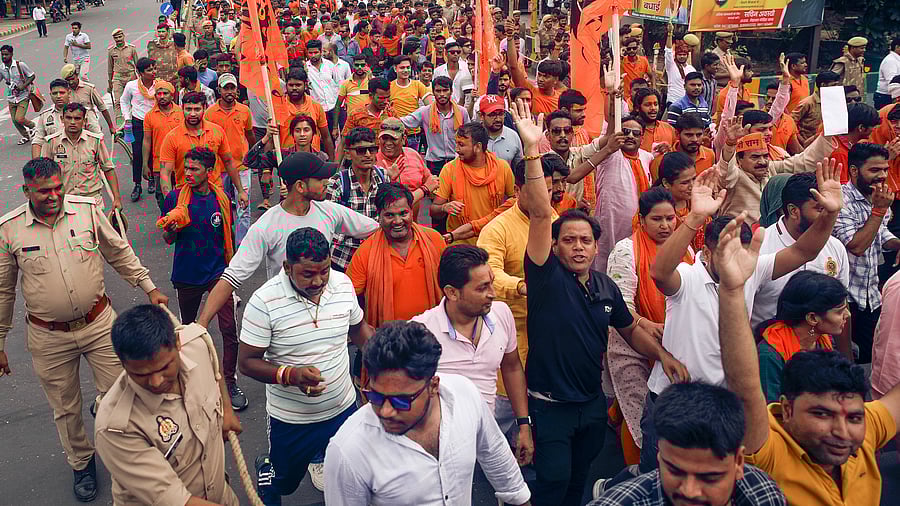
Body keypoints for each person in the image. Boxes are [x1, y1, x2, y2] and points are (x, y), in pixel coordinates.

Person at [512, 98, 688, 506]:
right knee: (552, 482)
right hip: (549, 407)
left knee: (579, 478)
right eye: (568, 240)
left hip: (591, 405)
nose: (577, 248)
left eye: (585, 241)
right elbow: (541, 214)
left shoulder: (606, 287)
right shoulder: (545, 279)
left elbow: (630, 331)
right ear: (553, 248)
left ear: (596, 247)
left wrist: (662, 355)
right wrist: (532, 149)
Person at [646, 157, 843, 473]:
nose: (733, 260)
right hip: (674, 401)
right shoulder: (688, 277)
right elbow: (658, 272)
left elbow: (805, 251)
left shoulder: (750, 268)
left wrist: (829, 213)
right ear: (707, 251)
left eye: (740, 251)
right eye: (724, 251)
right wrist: (696, 216)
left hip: (724, 403)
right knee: (662, 481)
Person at [0, 158, 168, 502]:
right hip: (48, 337)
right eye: (44, 191)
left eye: (58, 187)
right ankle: (82, 463)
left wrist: (148, 286)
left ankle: (130, 458)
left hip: (99, 325)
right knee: (66, 408)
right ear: (26, 191)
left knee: (122, 396)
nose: (54, 195)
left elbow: (118, 252)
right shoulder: (9, 230)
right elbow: (3, 291)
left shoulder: (87, 210)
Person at [716, 210, 900, 505]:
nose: (841, 432)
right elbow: (747, 391)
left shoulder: (864, 430)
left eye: (854, 417)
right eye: (821, 414)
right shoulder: (772, 452)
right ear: (785, 411)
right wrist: (733, 291)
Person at [323, 320, 532, 505]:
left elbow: (495, 453)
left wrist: (520, 499)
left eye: (400, 400)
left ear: (433, 386)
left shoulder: (465, 394)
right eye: (376, 397)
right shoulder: (348, 451)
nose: (386, 411)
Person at [238, 227, 374, 505]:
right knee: (284, 484)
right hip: (292, 422)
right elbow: (247, 363)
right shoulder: (264, 302)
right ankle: (267, 469)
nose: (319, 280)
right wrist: (291, 375)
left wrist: (384, 359)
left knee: (351, 477)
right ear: (287, 267)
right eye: (308, 274)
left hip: (344, 410)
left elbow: (358, 327)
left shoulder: (342, 284)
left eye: (323, 271)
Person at [195, 152, 378, 328]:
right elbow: (231, 278)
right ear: (300, 186)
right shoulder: (265, 226)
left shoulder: (329, 211)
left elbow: (374, 229)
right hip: (285, 316)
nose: (327, 182)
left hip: (325, 311)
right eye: (320, 178)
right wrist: (202, 324)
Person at [95, 304, 243, 505]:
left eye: (164, 367)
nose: (156, 382)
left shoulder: (197, 345)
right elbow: (176, 501)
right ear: (123, 364)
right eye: (141, 374)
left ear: (178, 343)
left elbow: (214, 372)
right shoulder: (116, 427)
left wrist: (226, 409)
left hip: (220, 495)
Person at [412, 244, 534, 464]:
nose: (493, 294)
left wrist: (523, 424)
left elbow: (512, 367)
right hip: (438, 450)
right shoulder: (420, 331)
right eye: (482, 288)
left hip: (488, 437)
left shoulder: (502, 314)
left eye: (492, 283)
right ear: (452, 292)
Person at [605, 187, 696, 465]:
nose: (666, 225)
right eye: (657, 219)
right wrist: (647, 324)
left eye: (670, 218)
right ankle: (635, 472)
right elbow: (621, 308)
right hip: (630, 341)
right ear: (641, 220)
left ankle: (613, 414)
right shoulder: (625, 251)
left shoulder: (686, 248)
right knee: (640, 414)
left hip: (674, 340)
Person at [591, 382, 787, 506]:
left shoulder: (763, 494)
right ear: (660, 457)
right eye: (675, 471)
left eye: (710, 477)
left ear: (738, 463)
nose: (689, 491)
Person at [158, 146, 248, 411]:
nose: (188, 173)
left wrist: (230, 267)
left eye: (194, 169)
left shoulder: (221, 198)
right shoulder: (175, 199)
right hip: (187, 275)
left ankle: (229, 383)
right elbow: (167, 239)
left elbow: (227, 235)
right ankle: (192, 382)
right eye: (186, 168)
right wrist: (172, 229)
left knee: (229, 331)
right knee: (190, 333)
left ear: (209, 172)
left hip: (218, 275)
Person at [751, 173, 851, 352]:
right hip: (768, 354)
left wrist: (845, 361)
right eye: (820, 208)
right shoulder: (759, 248)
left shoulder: (835, 247)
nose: (826, 214)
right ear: (793, 211)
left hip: (818, 355)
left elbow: (841, 308)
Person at [832, 143, 900, 365]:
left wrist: (898, 244)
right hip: (845, 300)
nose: (881, 177)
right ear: (854, 171)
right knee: (847, 361)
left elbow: (881, 236)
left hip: (871, 295)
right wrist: (878, 211)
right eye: (874, 171)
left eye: (885, 170)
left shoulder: (877, 196)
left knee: (873, 358)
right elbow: (856, 246)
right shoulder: (840, 201)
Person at [348, 182, 444, 325]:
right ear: (379, 216)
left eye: (403, 213)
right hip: (389, 341)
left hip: (433, 334)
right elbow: (349, 300)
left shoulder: (434, 240)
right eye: (389, 215)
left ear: (412, 211)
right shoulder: (366, 252)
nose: (398, 221)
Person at [717, 119, 837, 224]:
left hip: (771, 237)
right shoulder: (735, 176)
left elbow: (804, 162)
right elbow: (725, 171)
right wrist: (730, 144)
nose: (763, 162)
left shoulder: (771, 168)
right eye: (755, 157)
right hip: (739, 239)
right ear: (739, 159)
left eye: (765, 156)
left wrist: (828, 134)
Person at [755, 271, 849, 403]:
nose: (848, 315)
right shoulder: (770, 356)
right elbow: (771, 411)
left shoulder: (824, 341)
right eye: (840, 311)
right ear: (812, 318)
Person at [158, 91, 248, 208]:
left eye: (197, 109)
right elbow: (165, 172)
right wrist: (170, 202)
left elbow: (228, 162)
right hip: (185, 197)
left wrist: (240, 190)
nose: (193, 114)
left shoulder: (217, 131)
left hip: (215, 194)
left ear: (204, 108)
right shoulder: (172, 137)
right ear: (182, 109)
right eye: (188, 109)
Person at [431, 122, 515, 244]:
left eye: (461, 145)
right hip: (460, 243)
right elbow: (434, 210)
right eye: (456, 144)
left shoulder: (502, 167)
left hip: (492, 240)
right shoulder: (449, 170)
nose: (456, 149)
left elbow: (514, 202)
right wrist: (444, 207)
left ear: (478, 147)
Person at [327, 127, 390, 272]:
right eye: (361, 151)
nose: (368, 155)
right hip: (344, 260)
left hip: (376, 257)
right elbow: (328, 227)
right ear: (348, 154)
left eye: (372, 149)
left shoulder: (383, 177)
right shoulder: (337, 184)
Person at [41, 102, 122, 210]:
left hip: (92, 201)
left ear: (84, 121)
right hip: (64, 201)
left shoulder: (95, 141)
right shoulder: (51, 142)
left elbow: (108, 170)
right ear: (62, 119)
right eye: (68, 118)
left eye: (77, 118)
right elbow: (42, 174)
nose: (72, 122)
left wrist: (117, 198)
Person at [205, 73, 254, 245]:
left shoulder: (245, 111)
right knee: (221, 208)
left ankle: (242, 246)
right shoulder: (209, 114)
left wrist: (252, 156)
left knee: (244, 209)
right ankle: (225, 243)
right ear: (219, 90)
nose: (229, 91)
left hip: (241, 167)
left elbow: (250, 135)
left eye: (232, 88)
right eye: (226, 88)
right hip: (219, 170)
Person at [399, 75, 470, 179]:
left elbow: (469, 135)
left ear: (451, 91)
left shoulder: (461, 112)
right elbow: (403, 122)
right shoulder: (424, 112)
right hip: (434, 164)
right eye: (438, 91)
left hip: (458, 161)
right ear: (433, 92)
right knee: (436, 192)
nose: (442, 94)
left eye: (445, 90)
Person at [374, 117, 437, 220]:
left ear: (403, 139)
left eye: (393, 139)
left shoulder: (413, 155)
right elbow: (391, 204)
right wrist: (424, 190)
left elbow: (431, 182)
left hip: (413, 225)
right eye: (384, 138)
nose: (388, 143)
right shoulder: (372, 161)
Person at [272, 67, 335, 158]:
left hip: (313, 159)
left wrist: (332, 164)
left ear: (305, 85)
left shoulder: (316, 107)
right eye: (291, 85)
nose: (294, 88)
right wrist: (267, 169)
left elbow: (326, 137)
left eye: (298, 85)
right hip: (287, 160)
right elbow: (272, 139)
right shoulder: (278, 108)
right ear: (286, 86)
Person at [120, 57, 159, 202]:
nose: (153, 72)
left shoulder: (159, 85)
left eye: (154, 68)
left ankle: (152, 179)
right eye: (149, 70)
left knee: (154, 151)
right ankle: (137, 184)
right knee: (137, 154)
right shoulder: (131, 86)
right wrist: (127, 118)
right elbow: (124, 101)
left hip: (155, 123)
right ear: (140, 73)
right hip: (138, 122)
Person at [32, 78, 102, 158]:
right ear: (50, 95)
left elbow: (98, 137)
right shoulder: (45, 116)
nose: (58, 96)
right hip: (56, 162)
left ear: (69, 93)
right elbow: (37, 141)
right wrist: (36, 164)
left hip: (82, 159)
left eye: (62, 93)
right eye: (55, 93)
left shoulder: (84, 112)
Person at [142, 80, 182, 211]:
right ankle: (166, 218)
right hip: (159, 164)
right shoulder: (149, 116)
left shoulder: (181, 113)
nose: (162, 96)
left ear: (172, 95)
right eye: (159, 93)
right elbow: (147, 141)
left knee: (181, 193)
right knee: (161, 195)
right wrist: (145, 164)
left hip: (180, 162)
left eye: (165, 93)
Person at [340, 77, 395, 157]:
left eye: (388, 97)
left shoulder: (391, 113)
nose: (386, 102)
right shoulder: (356, 115)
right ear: (370, 96)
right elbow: (343, 143)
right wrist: (336, 168)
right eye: (381, 98)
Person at [652, 113, 714, 180]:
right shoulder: (661, 161)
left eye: (699, 135)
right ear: (677, 134)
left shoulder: (710, 155)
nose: (695, 139)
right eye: (689, 135)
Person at [506, 45, 564, 115]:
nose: (540, 79)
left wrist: (557, 47)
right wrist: (509, 38)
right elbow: (513, 67)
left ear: (556, 79)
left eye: (546, 77)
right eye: (539, 75)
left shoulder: (561, 98)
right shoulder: (531, 92)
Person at [62, 64, 116, 138]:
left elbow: (102, 108)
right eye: (68, 80)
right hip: (73, 124)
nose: (71, 82)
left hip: (90, 121)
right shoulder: (64, 92)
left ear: (77, 75)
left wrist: (111, 127)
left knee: (99, 139)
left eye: (72, 79)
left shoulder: (89, 88)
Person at [792, 71, 841, 148]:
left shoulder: (833, 102)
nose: (836, 88)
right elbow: (791, 123)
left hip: (827, 145)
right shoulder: (807, 103)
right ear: (823, 85)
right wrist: (802, 141)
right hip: (808, 146)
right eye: (834, 85)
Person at [0, 45, 37, 145]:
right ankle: (26, 136)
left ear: (11, 54)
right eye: (2, 54)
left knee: (19, 118)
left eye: (6, 54)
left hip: (23, 96)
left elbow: (32, 76)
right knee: (15, 121)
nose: (4, 57)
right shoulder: (1, 68)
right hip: (11, 97)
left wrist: (23, 86)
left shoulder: (20, 65)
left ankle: (34, 127)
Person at [304, 40, 340, 136]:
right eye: (310, 53)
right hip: (316, 110)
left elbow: (338, 84)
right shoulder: (305, 68)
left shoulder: (330, 65)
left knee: (332, 136)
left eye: (315, 52)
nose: (313, 55)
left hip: (332, 108)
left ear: (320, 51)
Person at [479, 94, 523, 168]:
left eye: (501, 114)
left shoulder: (513, 136)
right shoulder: (472, 136)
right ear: (481, 116)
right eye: (492, 115)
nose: (498, 119)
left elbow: (519, 168)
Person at [107, 28, 138, 130]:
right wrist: (110, 83)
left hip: (131, 76)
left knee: (132, 100)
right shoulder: (111, 51)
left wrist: (140, 80)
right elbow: (110, 68)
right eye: (116, 37)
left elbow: (137, 65)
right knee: (118, 101)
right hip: (118, 77)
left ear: (124, 36)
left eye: (120, 37)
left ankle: (132, 121)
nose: (118, 39)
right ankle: (120, 125)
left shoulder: (131, 48)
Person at [663, 24, 696, 105]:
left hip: (687, 103)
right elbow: (668, 51)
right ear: (676, 55)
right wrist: (670, 33)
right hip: (673, 101)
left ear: (687, 55)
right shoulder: (671, 65)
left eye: (684, 54)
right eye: (679, 54)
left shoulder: (691, 69)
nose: (682, 56)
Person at [147, 23, 178, 88]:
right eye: (159, 32)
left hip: (173, 79)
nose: (161, 34)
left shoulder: (174, 45)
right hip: (158, 80)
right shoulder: (152, 45)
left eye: (163, 31)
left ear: (168, 32)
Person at [875, 37, 900, 110]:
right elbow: (892, 82)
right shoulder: (890, 60)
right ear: (897, 47)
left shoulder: (896, 59)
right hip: (886, 98)